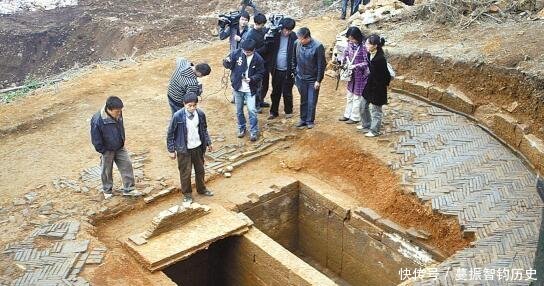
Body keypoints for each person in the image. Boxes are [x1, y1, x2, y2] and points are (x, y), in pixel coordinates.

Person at [90, 96, 142, 199]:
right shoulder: (97, 120)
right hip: (107, 150)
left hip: (119, 146)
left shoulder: (118, 113)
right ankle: (107, 190)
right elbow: (96, 139)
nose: (119, 113)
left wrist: (122, 141)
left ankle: (129, 189)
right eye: (117, 111)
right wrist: (103, 151)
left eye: (120, 111)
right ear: (109, 109)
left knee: (127, 165)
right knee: (106, 170)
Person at [166, 92, 214, 204]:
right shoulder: (177, 116)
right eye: (189, 106)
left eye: (194, 105)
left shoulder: (201, 114)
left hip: (198, 147)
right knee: (185, 173)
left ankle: (202, 189)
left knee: (200, 170)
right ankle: (187, 194)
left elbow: (204, 129)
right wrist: (171, 149)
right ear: (184, 104)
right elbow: (170, 133)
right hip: (184, 149)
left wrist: (208, 142)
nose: (192, 108)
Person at [223, 39, 266, 141]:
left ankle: (253, 131)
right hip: (238, 87)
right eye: (244, 51)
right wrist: (226, 62)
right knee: (239, 111)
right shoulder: (236, 53)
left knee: (252, 110)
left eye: (248, 52)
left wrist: (251, 79)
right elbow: (227, 65)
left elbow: (261, 73)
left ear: (253, 50)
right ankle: (241, 128)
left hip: (250, 89)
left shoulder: (258, 59)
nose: (246, 53)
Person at [293, 27, 326, 129]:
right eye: (299, 38)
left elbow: (321, 64)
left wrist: (318, 80)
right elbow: (293, 58)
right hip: (300, 77)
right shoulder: (296, 43)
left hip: (312, 79)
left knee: (311, 100)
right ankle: (302, 119)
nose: (300, 41)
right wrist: (294, 72)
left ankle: (309, 120)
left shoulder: (318, 46)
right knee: (303, 99)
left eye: (301, 39)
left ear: (307, 38)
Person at [360, 34, 391, 137]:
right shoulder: (369, 54)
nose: (366, 45)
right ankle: (366, 124)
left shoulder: (380, 58)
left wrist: (381, 86)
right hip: (370, 84)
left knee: (376, 110)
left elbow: (386, 75)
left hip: (379, 87)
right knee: (363, 105)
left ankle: (375, 130)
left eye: (368, 44)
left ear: (375, 45)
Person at [338, 26, 369, 124]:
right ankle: (347, 115)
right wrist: (343, 61)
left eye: (352, 38)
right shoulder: (350, 44)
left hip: (360, 76)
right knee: (349, 95)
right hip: (351, 75)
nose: (350, 40)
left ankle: (355, 117)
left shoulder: (364, 47)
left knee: (357, 96)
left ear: (357, 37)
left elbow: (367, 63)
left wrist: (356, 66)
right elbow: (346, 53)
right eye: (349, 38)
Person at [267, 17, 297, 120]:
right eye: (285, 29)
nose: (287, 32)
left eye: (289, 30)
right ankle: (273, 112)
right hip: (276, 69)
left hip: (288, 70)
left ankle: (288, 111)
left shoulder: (294, 37)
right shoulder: (275, 35)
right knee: (275, 91)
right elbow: (267, 46)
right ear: (282, 28)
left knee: (287, 92)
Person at [242, 13, 271, 112]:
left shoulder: (263, 30)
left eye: (263, 25)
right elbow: (251, 51)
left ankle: (261, 100)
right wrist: (265, 47)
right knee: (257, 85)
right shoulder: (251, 34)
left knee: (265, 84)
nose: (262, 26)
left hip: (266, 61)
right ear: (256, 23)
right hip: (256, 63)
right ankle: (255, 104)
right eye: (261, 25)